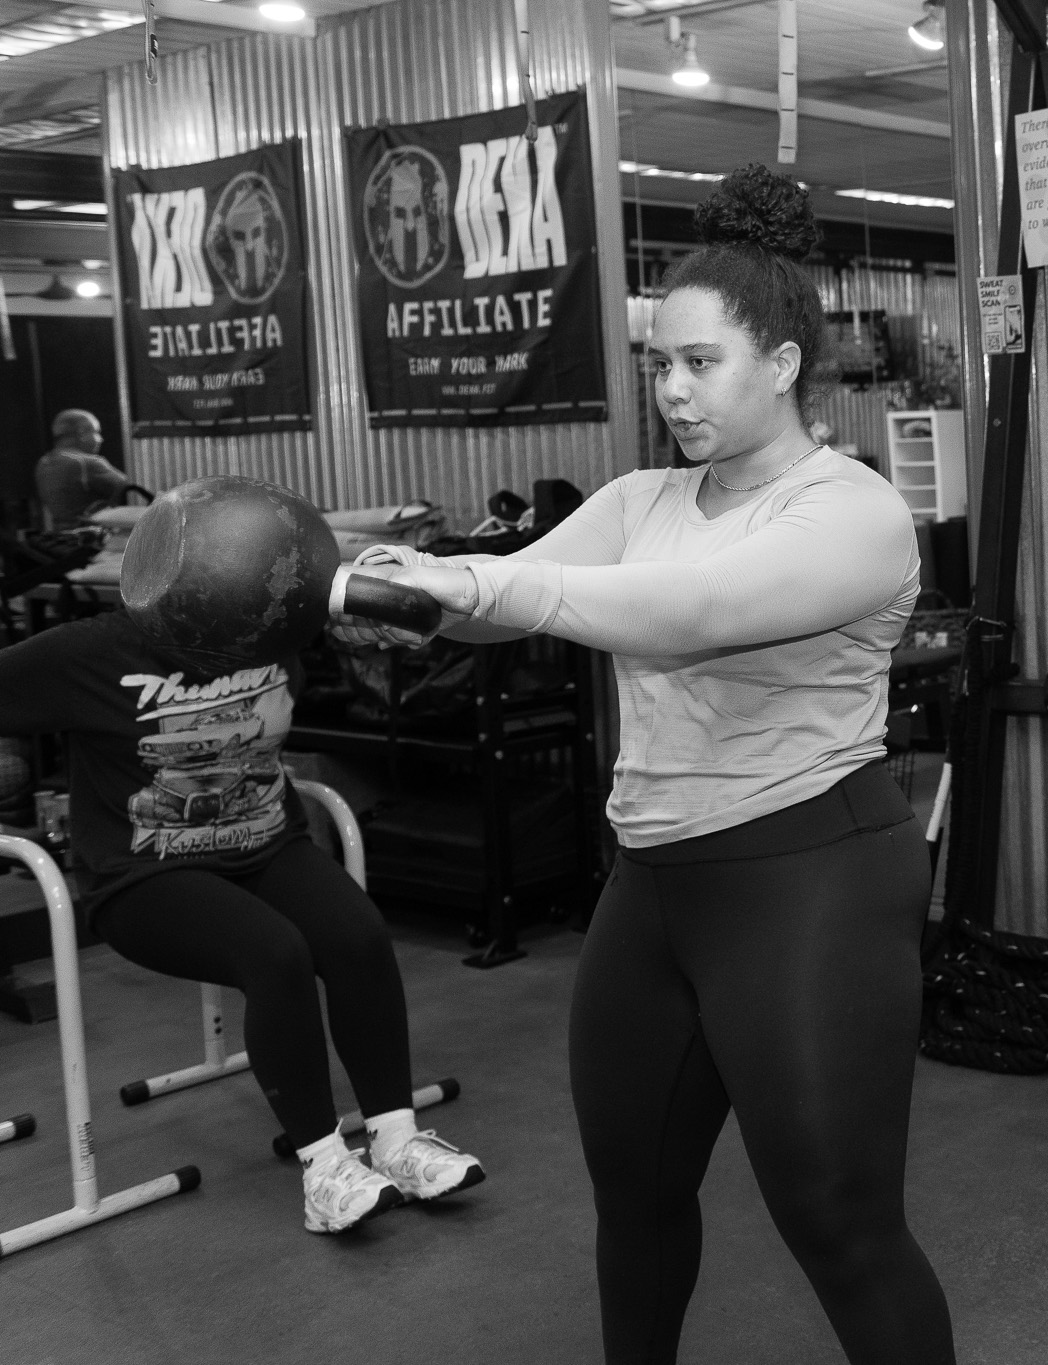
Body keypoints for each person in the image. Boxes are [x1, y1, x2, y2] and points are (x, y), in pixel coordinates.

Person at [338, 164, 956, 1365]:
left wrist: (471, 579)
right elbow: (505, 608)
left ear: (780, 363)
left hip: (807, 879)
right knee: (634, 1199)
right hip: (655, 885)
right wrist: (390, 586)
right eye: (657, 366)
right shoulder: (640, 496)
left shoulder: (854, 511)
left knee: (839, 1226)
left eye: (698, 363)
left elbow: (683, 613)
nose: (671, 389)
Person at [0, 614, 484, 1234]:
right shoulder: (91, 650)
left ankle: (395, 1139)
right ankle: (325, 1168)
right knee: (274, 952)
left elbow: (371, 614)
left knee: (356, 933)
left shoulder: (273, 622)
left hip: (267, 849)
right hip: (141, 876)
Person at [34, 409, 129, 530]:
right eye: (96, 432)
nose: (101, 439)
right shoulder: (86, 463)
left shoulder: (43, 463)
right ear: (82, 434)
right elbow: (131, 490)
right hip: (93, 538)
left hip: (61, 538)